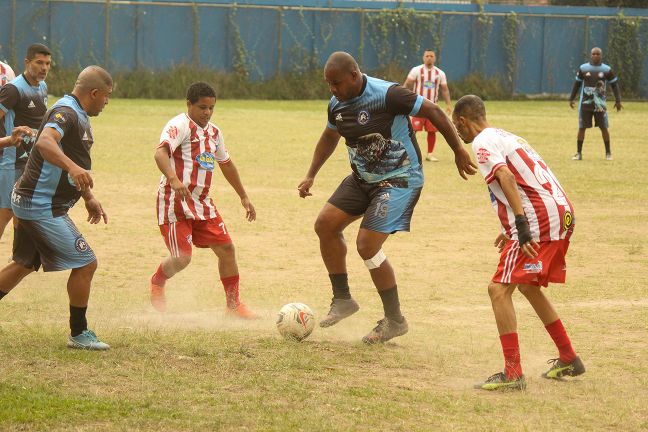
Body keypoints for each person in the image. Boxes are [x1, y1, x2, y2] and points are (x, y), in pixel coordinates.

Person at [298, 52, 476, 344]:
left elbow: (433, 111)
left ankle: (395, 320)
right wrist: (311, 174)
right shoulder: (336, 104)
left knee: (366, 244)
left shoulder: (388, 94)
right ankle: (342, 299)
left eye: (336, 83)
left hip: (400, 178)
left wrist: (457, 149)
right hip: (362, 178)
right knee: (325, 224)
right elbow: (330, 136)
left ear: (354, 76)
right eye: (329, 84)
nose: (332, 89)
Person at [452, 95, 585, 391]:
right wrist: (511, 226)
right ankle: (568, 356)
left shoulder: (481, 142)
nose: (457, 132)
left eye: (455, 126)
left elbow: (507, 177)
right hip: (561, 213)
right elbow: (527, 182)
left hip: (539, 219)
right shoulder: (507, 135)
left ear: (462, 121)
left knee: (498, 289)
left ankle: (513, 374)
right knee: (526, 285)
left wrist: (522, 225)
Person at [0, 65, 113, 350]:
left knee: (24, 263)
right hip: (39, 206)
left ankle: (79, 332)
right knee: (87, 264)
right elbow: (46, 142)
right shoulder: (67, 112)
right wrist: (74, 168)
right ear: (95, 92)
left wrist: (88, 197)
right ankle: (79, 333)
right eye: (107, 96)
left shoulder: (77, 113)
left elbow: (73, 155)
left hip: (30, 201)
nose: (107, 102)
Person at [149, 82, 257, 319]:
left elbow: (226, 164)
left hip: (202, 202)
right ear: (189, 104)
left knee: (227, 249)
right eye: (202, 107)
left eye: (211, 108)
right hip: (174, 201)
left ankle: (233, 305)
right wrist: (173, 179)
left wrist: (243, 196)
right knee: (182, 259)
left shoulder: (215, 133)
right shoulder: (179, 125)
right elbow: (160, 152)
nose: (207, 113)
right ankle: (158, 280)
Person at [0, 44, 51, 240]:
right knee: (5, 213)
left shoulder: (43, 87)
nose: (44, 68)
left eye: (47, 63)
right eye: (39, 62)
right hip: (10, 164)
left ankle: (17, 259)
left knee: (22, 215)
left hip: (31, 164)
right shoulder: (13, 90)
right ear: (27, 62)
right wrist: (8, 141)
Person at [569, 47, 622, 161]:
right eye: (593, 54)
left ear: (601, 56)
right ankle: (578, 153)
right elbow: (577, 84)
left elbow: (614, 85)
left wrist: (618, 100)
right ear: (591, 55)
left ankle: (608, 153)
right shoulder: (583, 68)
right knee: (582, 128)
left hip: (600, 105)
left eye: (598, 54)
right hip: (585, 104)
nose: (595, 56)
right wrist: (571, 98)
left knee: (604, 128)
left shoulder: (607, 70)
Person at [404, 50, 452, 162]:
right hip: (417, 106)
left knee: (432, 131)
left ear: (435, 58)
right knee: (412, 131)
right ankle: (408, 154)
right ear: (423, 57)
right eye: (427, 56)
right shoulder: (416, 70)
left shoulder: (440, 73)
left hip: (432, 108)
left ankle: (430, 154)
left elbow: (445, 90)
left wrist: (448, 104)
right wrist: (403, 100)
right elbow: (407, 85)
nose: (429, 58)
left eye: (431, 56)